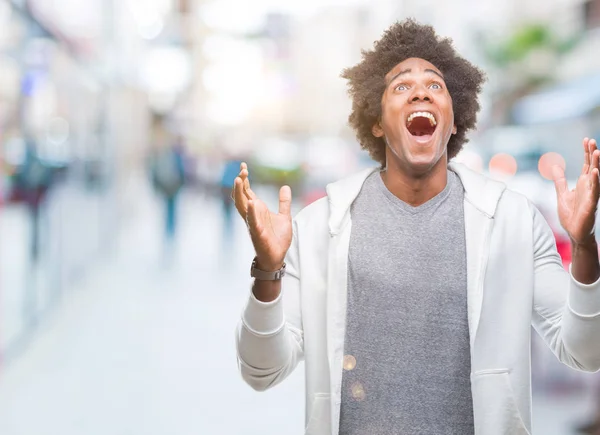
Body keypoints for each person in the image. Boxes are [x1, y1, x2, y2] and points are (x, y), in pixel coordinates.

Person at [232, 19, 600, 435]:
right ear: (376, 121)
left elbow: (585, 352)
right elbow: (261, 370)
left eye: (435, 85)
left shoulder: (513, 221)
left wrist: (585, 245)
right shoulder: (319, 227)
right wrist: (267, 271)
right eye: (401, 86)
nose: (421, 91)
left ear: (455, 120)